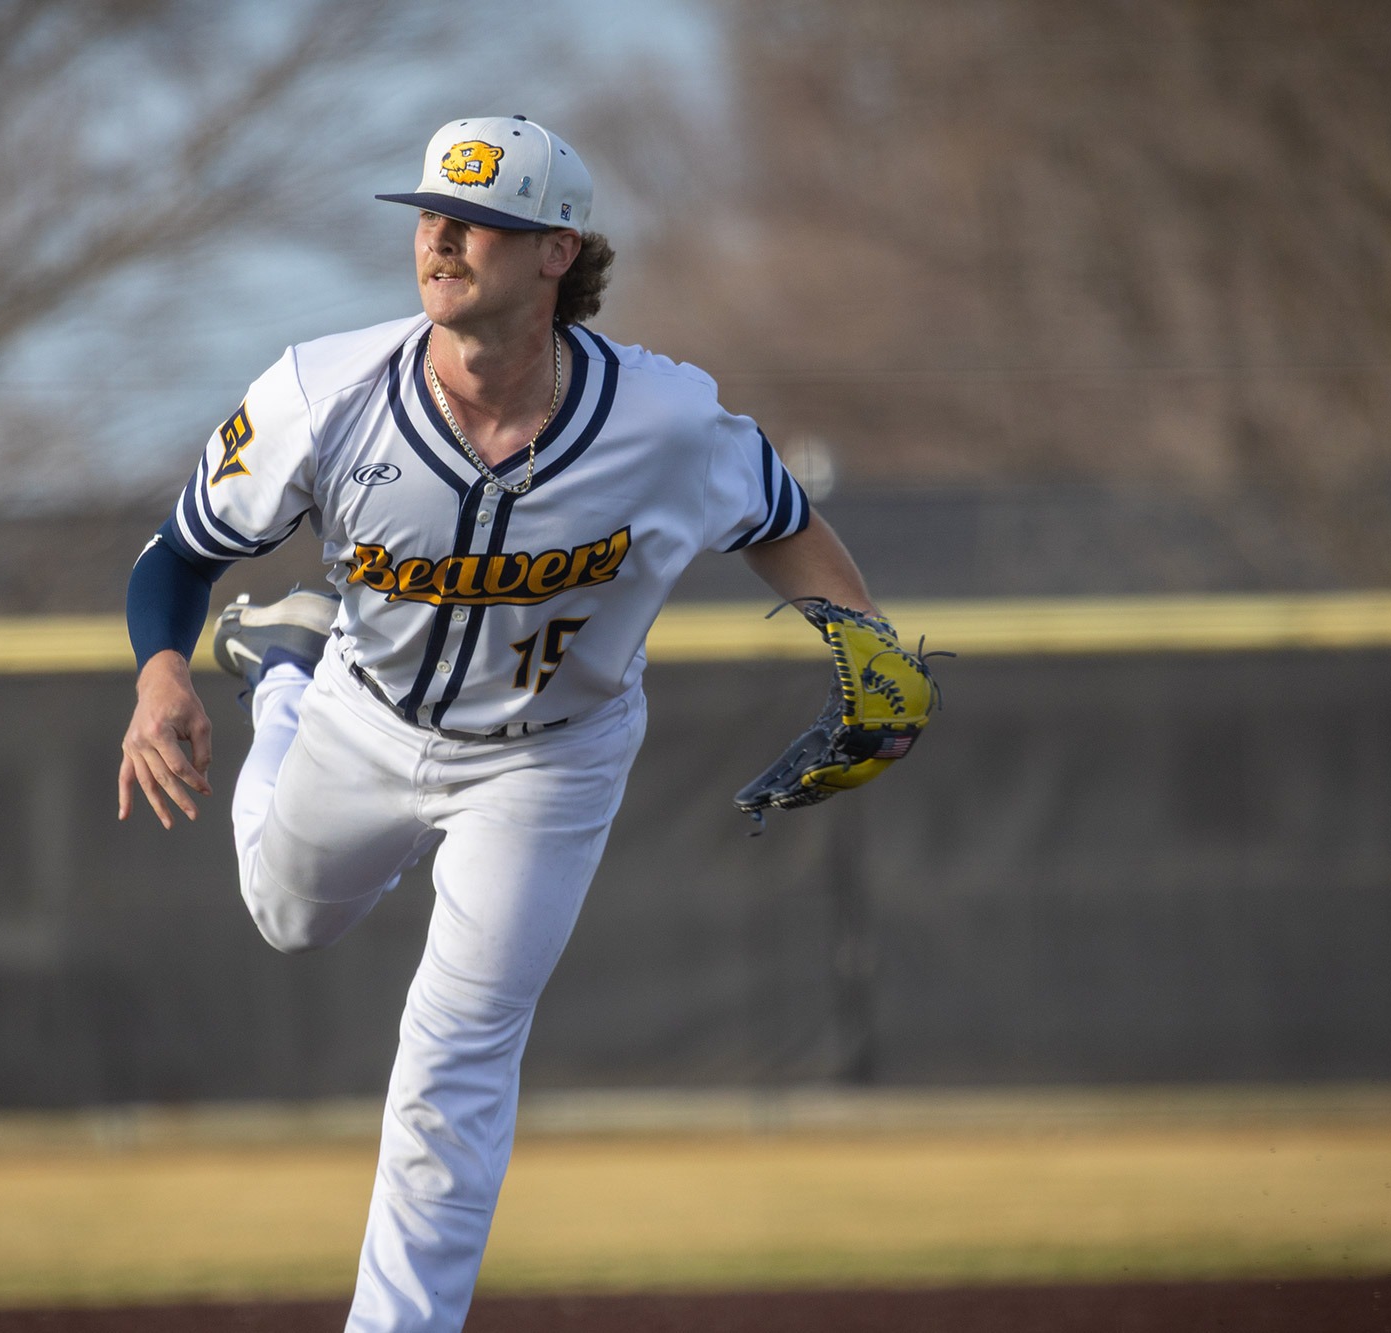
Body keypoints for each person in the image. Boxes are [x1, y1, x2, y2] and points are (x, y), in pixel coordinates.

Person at [117, 115, 879, 1332]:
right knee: (285, 914)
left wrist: (867, 648)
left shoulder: (665, 421)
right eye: (429, 214)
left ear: (554, 255)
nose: (441, 237)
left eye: (478, 221)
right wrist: (162, 675)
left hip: (547, 761)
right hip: (365, 723)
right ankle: (282, 673)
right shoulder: (324, 391)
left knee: (453, 1057)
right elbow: (179, 553)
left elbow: (780, 520)